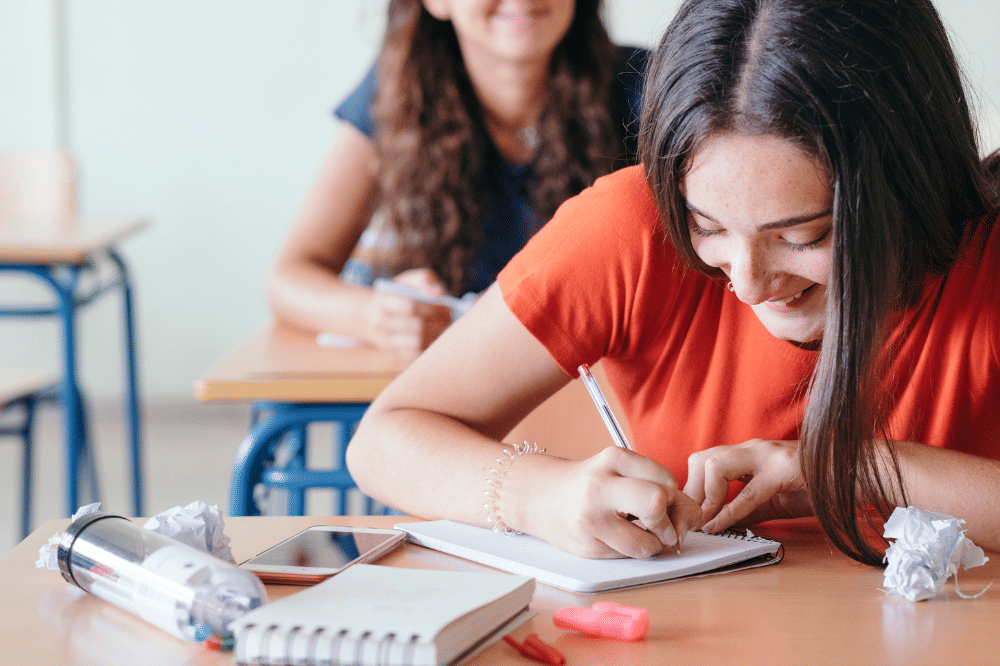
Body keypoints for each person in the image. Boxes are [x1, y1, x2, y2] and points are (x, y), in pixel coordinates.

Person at [346, 0, 1000, 566]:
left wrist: (849, 469)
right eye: (706, 226)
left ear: (909, 183)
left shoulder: (987, 256)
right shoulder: (631, 225)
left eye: (803, 236)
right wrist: (538, 495)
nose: (748, 283)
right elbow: (386, 439)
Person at [267, 0, 647, 360]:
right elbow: (289, 277)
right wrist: (377, 316)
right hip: (461, 394)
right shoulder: (397, 90)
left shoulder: (650, 85)